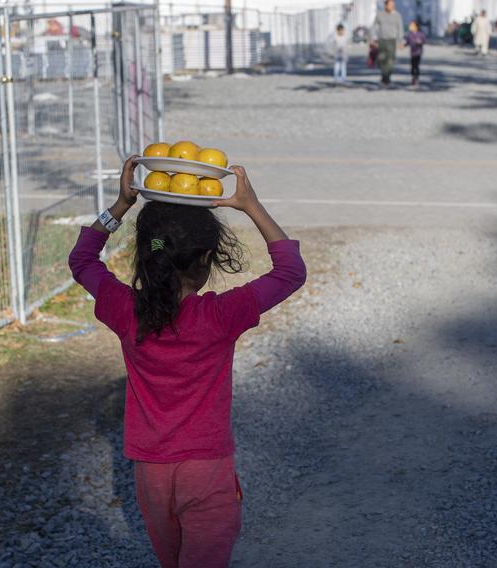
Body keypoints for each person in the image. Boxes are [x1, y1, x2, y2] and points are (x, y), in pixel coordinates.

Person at [68, 157, 306, 568]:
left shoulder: (126, 310)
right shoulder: (220, 316)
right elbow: (290, 272)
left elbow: (83, 261)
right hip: (207, 471)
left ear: (146, 255)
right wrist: (250, 205)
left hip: (151, 475)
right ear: (207, 257)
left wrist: (121, 205)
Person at [370, 0, 405, 86]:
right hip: (382, 40)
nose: (392, 6)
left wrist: (400, 41)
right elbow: (374, 26)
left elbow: (400, 28)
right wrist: (372, 39)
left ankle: (386, 77)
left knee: (390, 60)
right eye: (390, 4)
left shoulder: (397, 15)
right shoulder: (380, 15)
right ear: (385, 5)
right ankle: (384, 75)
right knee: (381, 59)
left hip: (392, 40)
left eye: (393, 5)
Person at [403, 21, 426, 86]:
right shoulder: (409, 34)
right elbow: (407, 42)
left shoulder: (420, 34)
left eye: (412, 26)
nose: (410, 27)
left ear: (416, 27)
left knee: (416, 66)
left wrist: (420, 42)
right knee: (412, 66)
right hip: (412, 53)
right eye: (410, 25)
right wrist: (403, 46)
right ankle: (413, 77)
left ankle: (417, 78)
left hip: (418, 52)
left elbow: (424, 40)